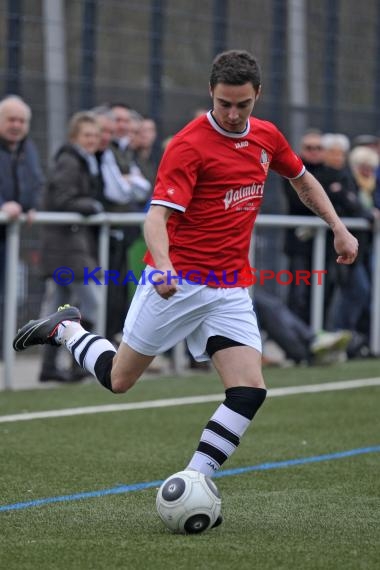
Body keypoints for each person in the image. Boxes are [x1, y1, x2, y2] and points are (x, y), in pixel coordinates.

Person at [13, 51, 358, 520]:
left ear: (257, 95)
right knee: (120, 380)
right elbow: (156, 216)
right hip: (179, 282)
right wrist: (164, 267)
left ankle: (196, 476)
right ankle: (68, 330)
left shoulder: (267, 136)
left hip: (231, 286)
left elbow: (302, 179)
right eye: (223, 104)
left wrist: (337, 226)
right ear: (210, 95)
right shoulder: (188, 144)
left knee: (249, 390)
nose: (233, 115)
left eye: (242, 105)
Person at [37, 111, 104, 382]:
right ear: (75, 136)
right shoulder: (70, 161)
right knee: (91, 303)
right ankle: (77, 363)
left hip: (69, 246)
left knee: (60, 308)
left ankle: (51, 367)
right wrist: (93, 206)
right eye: (86, 135)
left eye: (95, 136)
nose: (92, 140)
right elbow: (63, 199)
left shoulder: (83, 160)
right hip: (65, 247)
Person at [0, 95, 43, 354]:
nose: (16, 125)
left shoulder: (27, 148)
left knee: (8, 296)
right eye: (10, 119)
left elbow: (36, 182)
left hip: (9, 234)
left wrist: (29, 206)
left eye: (21, 120)